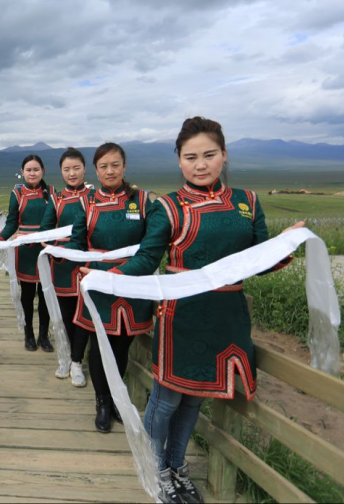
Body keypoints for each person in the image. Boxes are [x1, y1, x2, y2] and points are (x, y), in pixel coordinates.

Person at [89, 118, 301, 503]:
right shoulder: (168, 207)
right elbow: (148, 258)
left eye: (209, 155)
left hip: (226, 315)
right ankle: (155, 470)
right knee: (167, 399)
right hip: (181, 315)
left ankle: (177, 466)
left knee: (195, 398)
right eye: (191, 157)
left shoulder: (247, 202)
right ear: (179, 161)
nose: (200, 165)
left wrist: (285, 245)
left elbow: (258, 260)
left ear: (224, 155)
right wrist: (106, 276)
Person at [66, 143, 153, 434]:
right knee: (99, 344)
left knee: (122, 342)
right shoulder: (87, 203)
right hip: (98, 281)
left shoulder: (142, 201)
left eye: (115, 165)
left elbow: (154, 241)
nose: (110, 171)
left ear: (124, 166)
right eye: (103, 166)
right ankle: (102, 402)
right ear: (96, 170)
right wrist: (69, 258)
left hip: (132, 280)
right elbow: (78, 242)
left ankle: (115, 398)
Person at [39, 147, 92, 386]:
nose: (72, 173)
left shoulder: (95, 197)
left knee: (83, 316)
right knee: (66, 315)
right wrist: (56, 249)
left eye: (76, 168)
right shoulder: (56, 199)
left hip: (87, 265)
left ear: (84, 169)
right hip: (61, 266)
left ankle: (77, 361)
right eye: (67, 169)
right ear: (61, 171)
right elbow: (46, 231)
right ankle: (69, 358)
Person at [0, 154, 55, 352]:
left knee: (45, 294)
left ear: (43, 171)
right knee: (27, 295)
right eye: (28, 170)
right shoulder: (17, 194)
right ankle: (29, 333)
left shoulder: (53, 192)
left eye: (36, 169)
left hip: (46, 249)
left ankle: (44, 335)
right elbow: (12, 223)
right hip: (26, 252)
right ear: (22, 172)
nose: (32, 173)